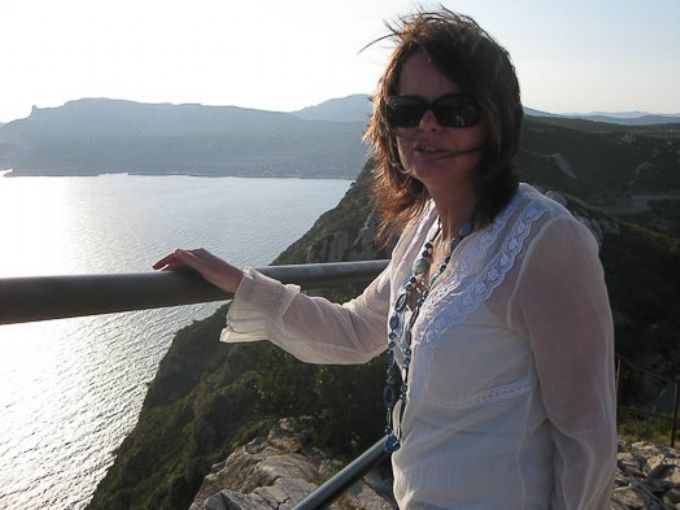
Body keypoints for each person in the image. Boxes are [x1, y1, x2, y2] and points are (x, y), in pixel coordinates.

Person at [153, 8, 616, 509]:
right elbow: (356, 332)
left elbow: (586, 437)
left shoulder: (545, 242)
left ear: (495, 121)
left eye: (456, 110)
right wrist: (240, 281)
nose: (427, 125)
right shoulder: (425, 229)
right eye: (407, 110)